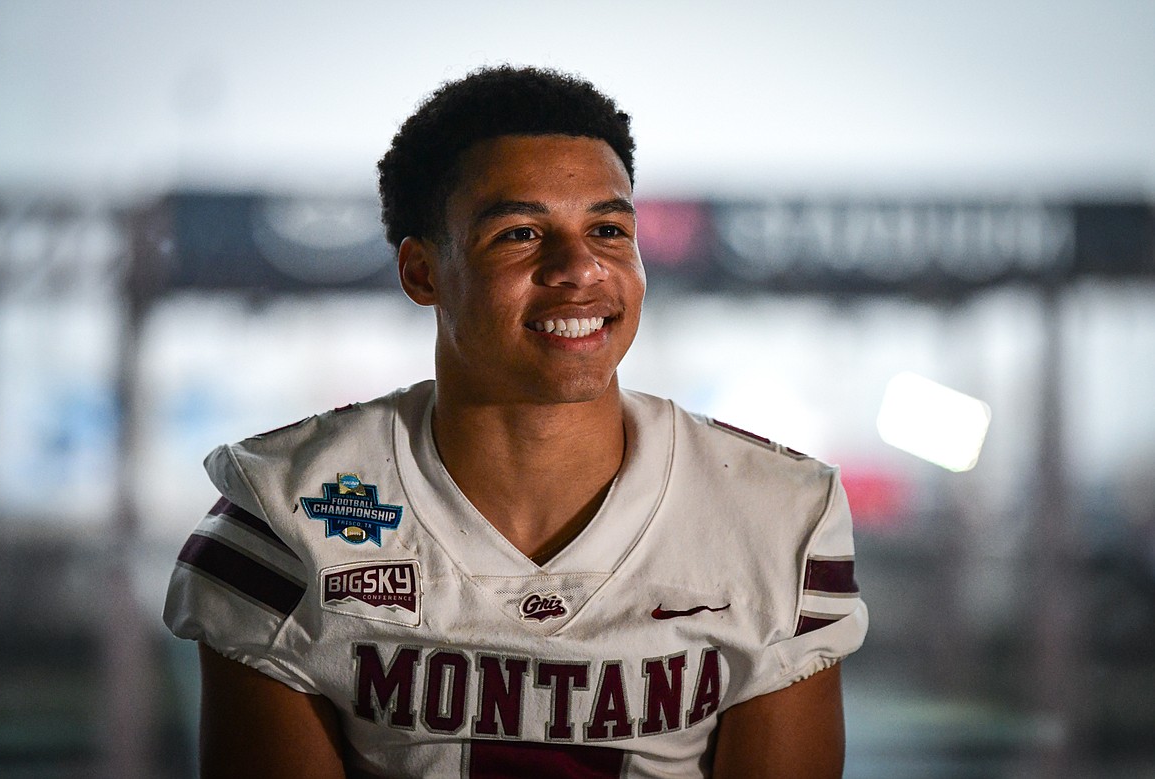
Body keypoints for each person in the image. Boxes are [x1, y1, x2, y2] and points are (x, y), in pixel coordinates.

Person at [163, 65, 867, 778]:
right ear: (421, 273)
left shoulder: (776, 514)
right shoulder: (286, 512)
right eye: (522, 233)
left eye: (609, 228)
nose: (579, 267)